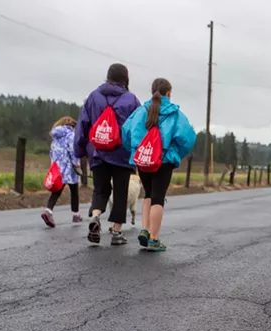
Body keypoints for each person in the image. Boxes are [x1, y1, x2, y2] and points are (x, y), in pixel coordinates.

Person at [122, 78, 196, 252]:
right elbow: (188, 137)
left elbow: (126, 132)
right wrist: (174, 153)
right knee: (158, 198)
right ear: (169, 93)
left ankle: (145, 229)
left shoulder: (140, 111)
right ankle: (154, 239)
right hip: (163, 160)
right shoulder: (175, 114)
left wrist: (135, 151)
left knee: (148, 194)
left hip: (143, 159)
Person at [74, 63, 141, 245]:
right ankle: (117, 233)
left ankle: (95, 216)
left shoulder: (94, 96)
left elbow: (83, 125)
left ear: (108, 77)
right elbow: (138, 128)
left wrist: (80, 150)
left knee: (101, 190)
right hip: (122, 154)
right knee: (120, 193)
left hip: (98, 152)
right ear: (125, 78)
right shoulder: (131, 99)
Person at [41, 117, 82, 227]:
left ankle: (48, 210)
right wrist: (76, 162)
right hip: (69, 167)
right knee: (74, 191)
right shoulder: (70, 135)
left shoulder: (56, 137)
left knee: (57, 191)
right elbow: (73, 150)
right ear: (72, 126)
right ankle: (76, 215)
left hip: (57, 168)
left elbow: (52, 152)